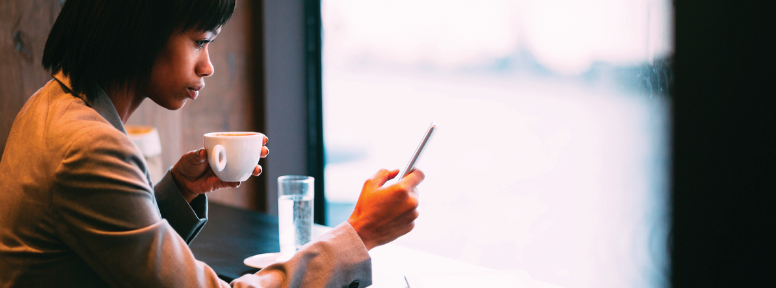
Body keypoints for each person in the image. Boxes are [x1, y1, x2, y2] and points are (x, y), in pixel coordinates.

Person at [0, 0, 424, 287]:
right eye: (201, 41)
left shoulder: (51, 105)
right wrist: (358, 235)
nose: (208, 65)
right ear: (143, 30)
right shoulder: (88, 146)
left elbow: (109, 248)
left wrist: (178, 192)